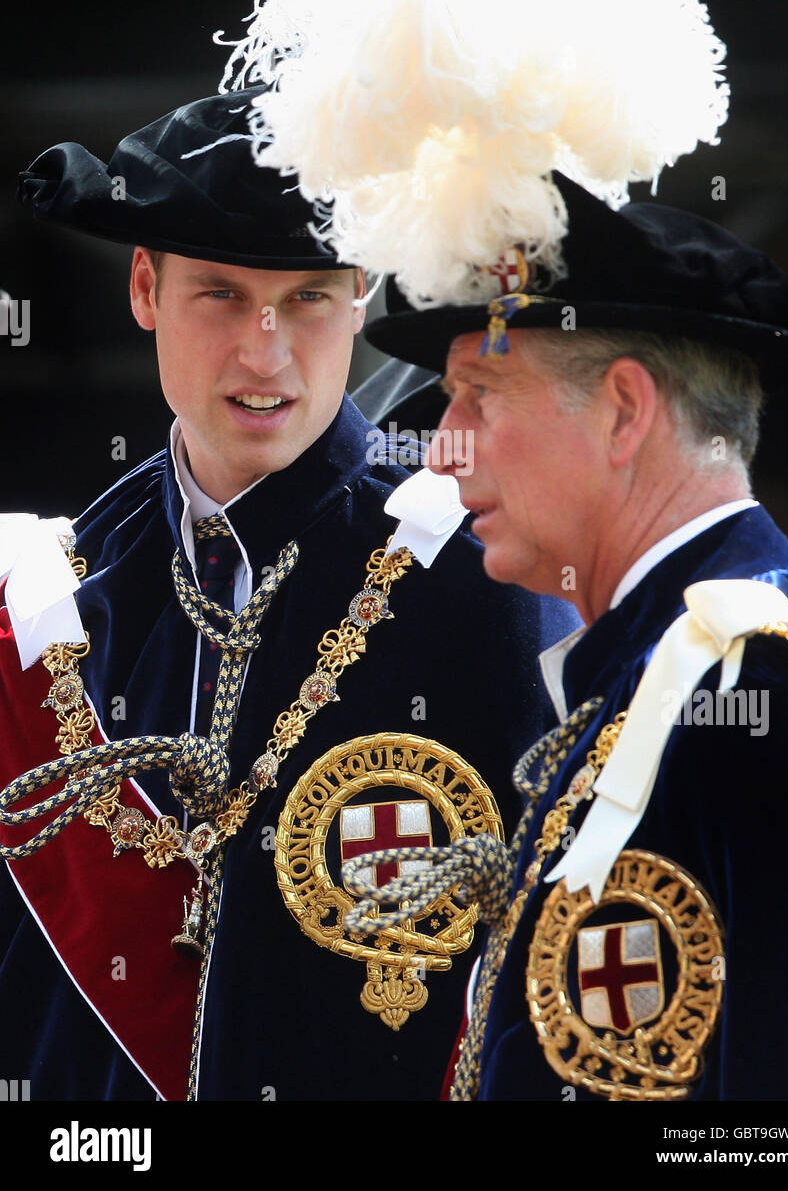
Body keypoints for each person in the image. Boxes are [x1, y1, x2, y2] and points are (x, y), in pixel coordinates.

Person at [0, 88, 577, 1102]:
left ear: (363, 293)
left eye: (308, 297)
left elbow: (567, 952)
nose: (264, 353)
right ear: (143, 286)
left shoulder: (487, 573)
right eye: (219, 295)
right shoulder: (55, 593)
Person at [349, 173, 788, 1101]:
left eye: (479, 395)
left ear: (623, 410)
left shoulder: (751, 684)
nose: (441, 446)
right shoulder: (661, 669)